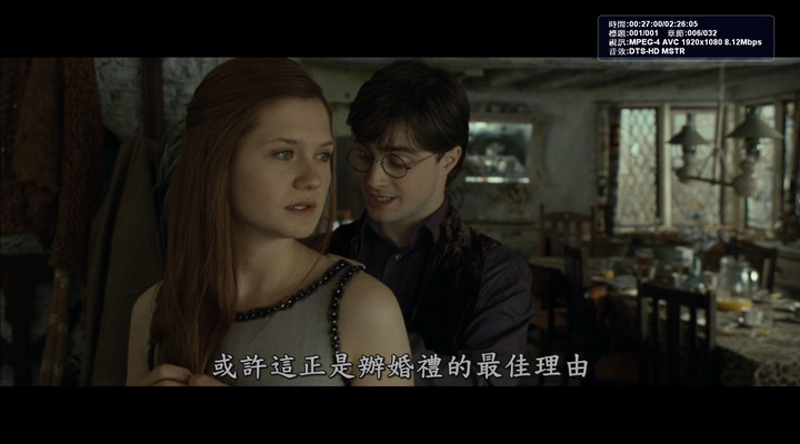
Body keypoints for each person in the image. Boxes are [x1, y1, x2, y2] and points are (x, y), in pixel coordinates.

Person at [126, 58, 412, 386]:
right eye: (284, 154)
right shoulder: (153, 309)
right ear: (217, 160)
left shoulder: (363, 307)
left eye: (322, 155)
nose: (313, 179)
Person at [329, 59, 534, 386]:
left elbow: (486, 380)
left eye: (398, 161)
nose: (373, 179)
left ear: (448, 160)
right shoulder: (324, 252)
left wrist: (370, 333)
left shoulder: (496, 273)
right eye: (365, 156)